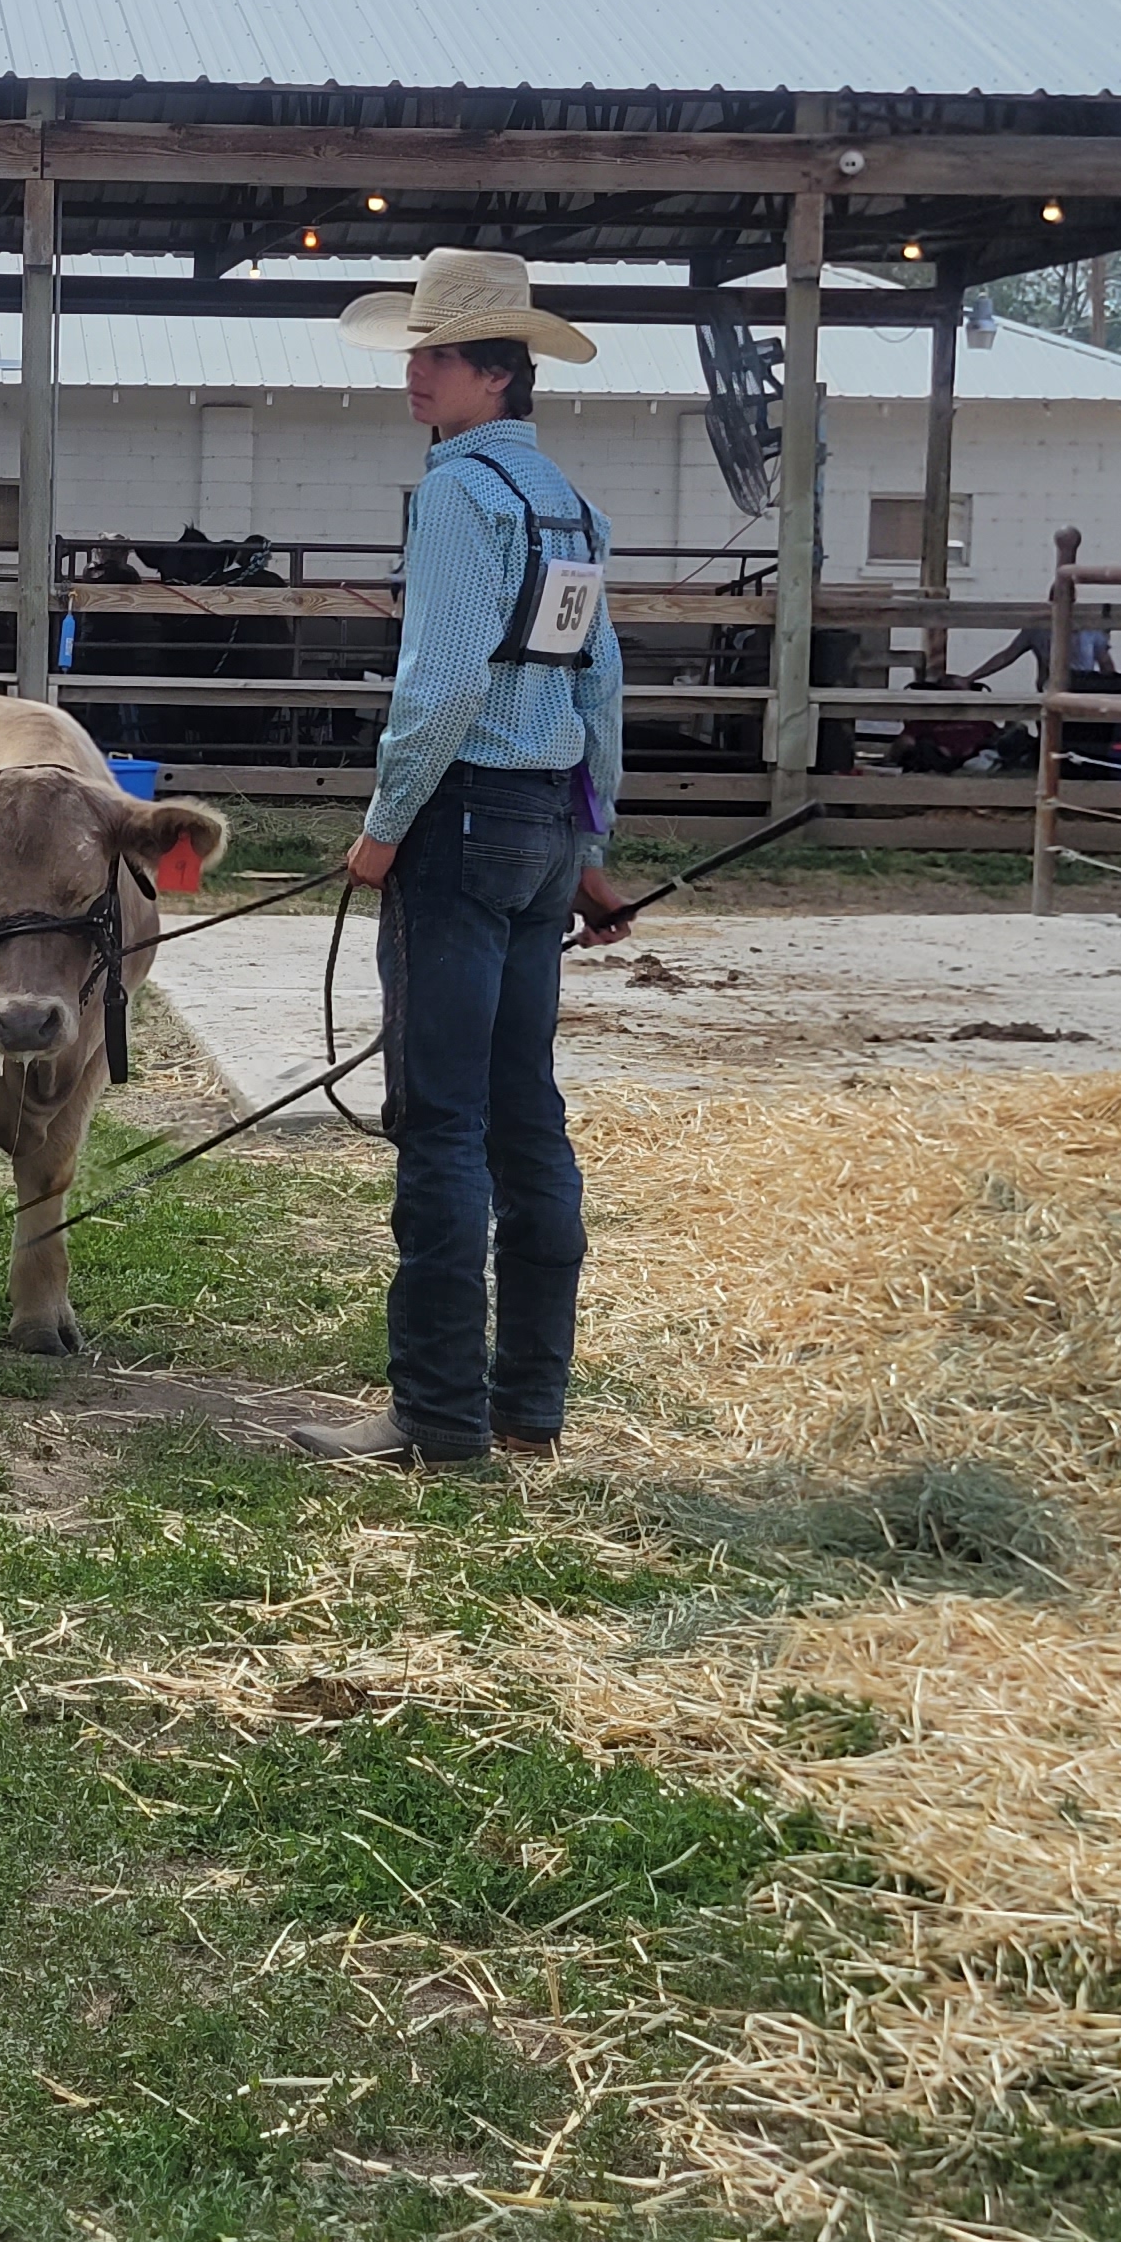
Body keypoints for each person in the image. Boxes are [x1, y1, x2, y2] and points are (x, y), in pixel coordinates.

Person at [290, 250, 634, 1474]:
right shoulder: (566, 505)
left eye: (436, 355)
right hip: (544, 824)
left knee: (440, 1118)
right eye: (417, 353)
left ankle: (435, 1411)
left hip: (465, 819)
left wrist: (384, 826)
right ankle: (526, 1402)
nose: (416, 372)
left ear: (495, 372)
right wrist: (589, 842)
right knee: (525, 1112)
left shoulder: (457, 498)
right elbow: (598, 683)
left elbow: (437, 686)